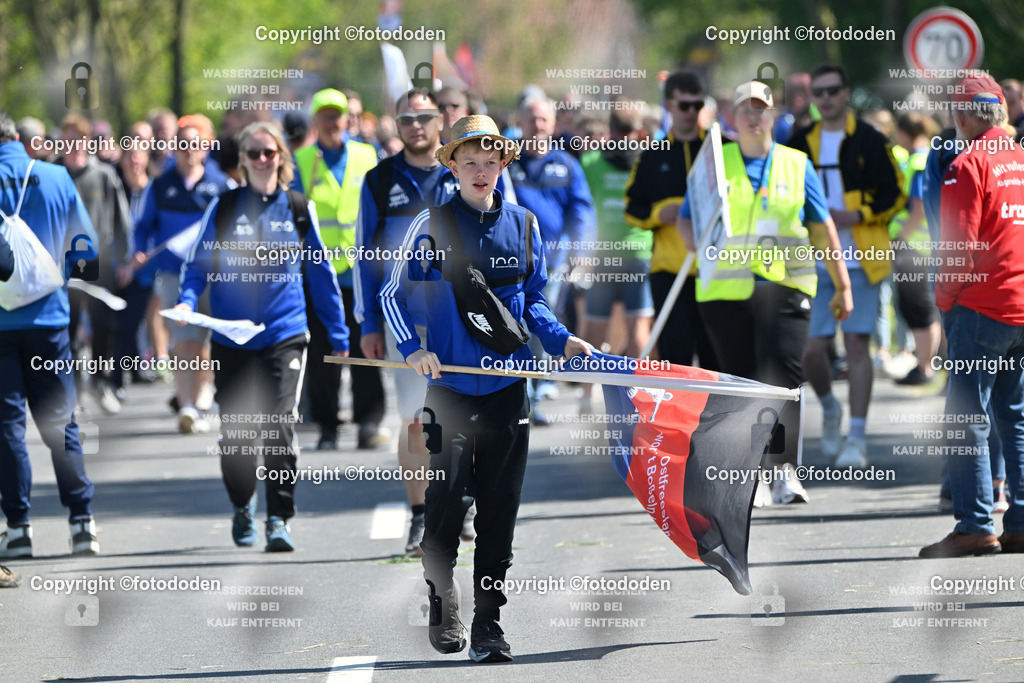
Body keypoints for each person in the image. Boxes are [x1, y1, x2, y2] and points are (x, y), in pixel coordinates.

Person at [380, 115, 594, 662]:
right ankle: (441, 595)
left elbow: (537, 301)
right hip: (448, 388)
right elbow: (391, 295)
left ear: (504, 164)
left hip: (507, 388)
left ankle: (489, 625)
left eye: (490, 161)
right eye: (469, 162)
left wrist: (564, 340)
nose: (481, 171)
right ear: (451, 166)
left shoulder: (524, 226)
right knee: (446, 505)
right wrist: (414, 350)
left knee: (499, 513)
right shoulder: (429, 223)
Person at [677, 81, 853, 504]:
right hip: (726, 287)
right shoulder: (714, 163)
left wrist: (843, 283)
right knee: (740, 381)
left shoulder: (796, 164)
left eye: (761, 109)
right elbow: (688, 219)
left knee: (782, 380)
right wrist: (699, 246)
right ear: (732, 117)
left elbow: (822, 225)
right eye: (745, 110)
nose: (754, 117)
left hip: (786, 283)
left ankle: (783, 471)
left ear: (772, 116)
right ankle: (747, 475)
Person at [177, 122, 349, 552]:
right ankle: (241, 505)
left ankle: (278, 518)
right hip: (232, 337)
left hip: (285, 333)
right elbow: (197, 265)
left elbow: (321, 276)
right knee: (237, 432)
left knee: (278, 426)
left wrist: (339, 332)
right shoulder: (224, 207)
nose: (260, 160)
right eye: (252, 153)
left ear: (280, 158)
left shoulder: (297, 208)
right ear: (242, 160)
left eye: (268, 152)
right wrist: (186, 301)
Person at [355, 88, 468, 556]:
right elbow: (364, 253)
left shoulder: (465, 169)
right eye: (406, 119)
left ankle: (460, 508)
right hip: (404, 321)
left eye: (424, 116)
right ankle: (421, 518)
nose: (416, 125)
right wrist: (368, 323)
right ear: (396, 125)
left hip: (463, 319)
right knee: (416, 422)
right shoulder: (380, 179)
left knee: (463, 418)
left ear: (439, 119)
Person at [919, 74, 1024, 558]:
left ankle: (975, 524)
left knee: (966, 421)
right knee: (1015, 418)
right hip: (1019, 307)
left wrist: (944, 302)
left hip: (981, 309)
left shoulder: (967, 165)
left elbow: (956, 251)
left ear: (963, 116)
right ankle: (1019, 521)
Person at [788, 63, 905, 469]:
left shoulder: (871, 139)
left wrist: (857, 215)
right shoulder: (800, 140)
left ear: (846, 92)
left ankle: (857, 435)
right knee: (812, 350)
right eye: (818, 92)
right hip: (811, 258)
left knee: (857, 344)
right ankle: (829, 408)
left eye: (833, 90)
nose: (825, 98)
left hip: (863, 258)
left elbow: (896, 194)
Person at [0, 111, 101, 558]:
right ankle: (82, 523)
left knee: (6, 428)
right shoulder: (57, 177)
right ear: (18, 139)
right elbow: (88, 251)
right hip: (49, 321)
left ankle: (19, 528)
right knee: (61, 423)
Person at [294, 88, 386, 451]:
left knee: (367, 348)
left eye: (338, 115)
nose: (333, 123)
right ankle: (328, 426)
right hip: (319, 274)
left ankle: (369, 423)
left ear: (349, 118)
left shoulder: (367, 155)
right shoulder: (301, 160)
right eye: (326, 116)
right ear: (315, 121)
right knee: (324, 353)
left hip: (360, 271)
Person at [130, 119, 231, 433]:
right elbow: (142, 226)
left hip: (214, 276)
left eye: (195, 144)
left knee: (207, 345)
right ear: (174, 149)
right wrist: (139, 250)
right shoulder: (160, 186)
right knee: (184, 341)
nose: (189, 151)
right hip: (174, 274)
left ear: (205, 148)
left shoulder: (221, 185)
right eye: (183, 145)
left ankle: (202, 392)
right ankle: (186, 405)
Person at [507, 95, 595, 422]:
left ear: (554, 124)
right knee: (512, 327)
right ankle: (517, 392)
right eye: (531, 118)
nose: (538, 125)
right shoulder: (505, 161)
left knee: (541, 326)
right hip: (507, 265)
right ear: (520, 121)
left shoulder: (567, 165)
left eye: (543, 119)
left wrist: (583, 250)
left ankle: (534, 395)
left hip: (551, 264)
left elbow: (582, 210)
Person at [625, 70, 719, 370]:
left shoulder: (722, 149)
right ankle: (677, 417)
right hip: (669, 271)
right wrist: (658, 214)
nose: (692, 112)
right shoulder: (653, 155)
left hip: (716, 269)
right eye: (684, 105)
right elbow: (631, 209)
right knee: (675, 359)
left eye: (698, 105)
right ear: (669, 105)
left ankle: (718, 419)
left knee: (716, 359)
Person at [56, 115, 133, 415]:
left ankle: (102, 384)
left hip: (99, 264)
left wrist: (125, 260)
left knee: (103, 328)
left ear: (88, 142)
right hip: (61, 266)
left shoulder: (103, 175)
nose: (73, 146)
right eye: (67, 139)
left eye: (78, 139)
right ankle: (73, 394)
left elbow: (121, 220)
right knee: (68, 331)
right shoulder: (53, 174)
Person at [579, 103, 653, 357]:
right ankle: (634, 392)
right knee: (637, 327)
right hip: (637, 251)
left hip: (605, 252)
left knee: (596, 327)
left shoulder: (590, 161)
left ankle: (587, 393)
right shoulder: (647, 160)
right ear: (639, 131)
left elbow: (581, 208)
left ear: (609, 130)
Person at [889, 113, 942, 386]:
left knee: (919, 308)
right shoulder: (924, 156)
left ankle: (925, 368)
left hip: (915, 248)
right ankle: (925, 365)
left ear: (905, 133)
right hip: (920, 247)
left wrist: (899, 240)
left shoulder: (920, 161)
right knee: (916, 307)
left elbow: (918, 208)